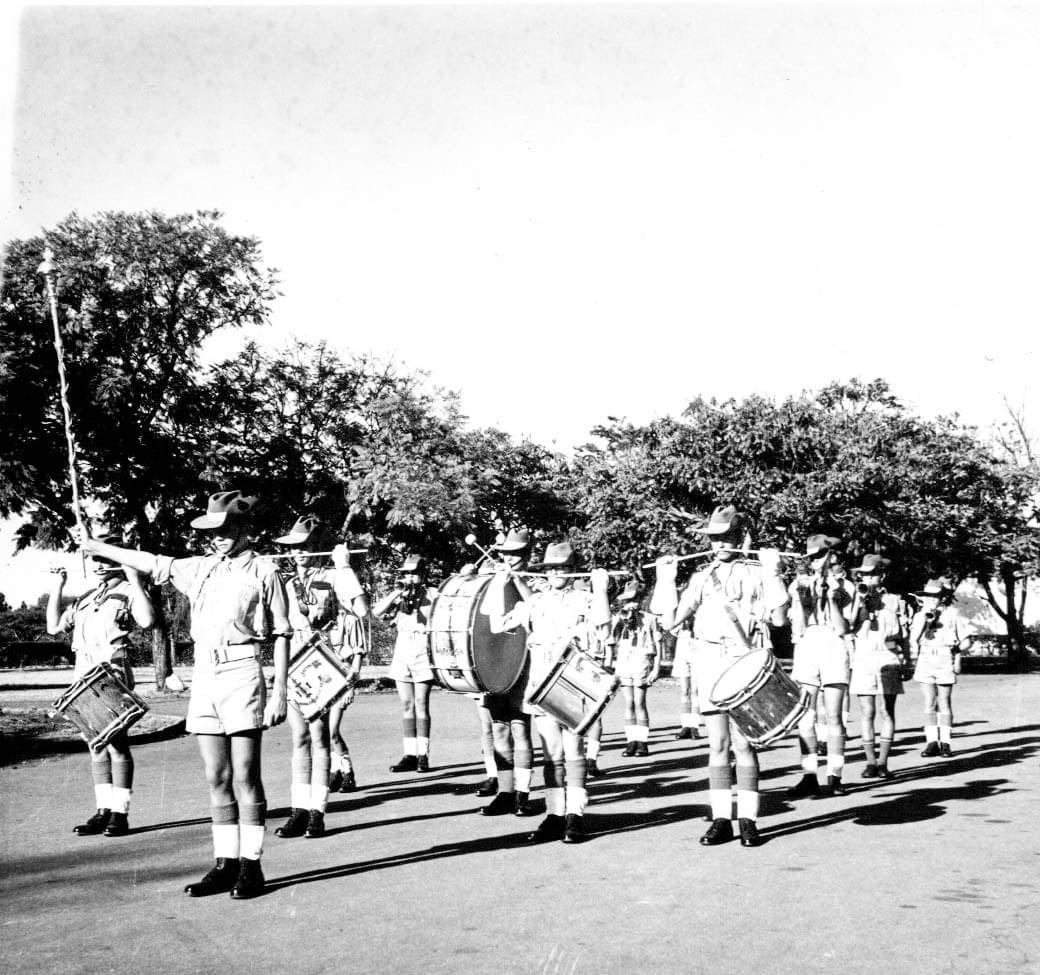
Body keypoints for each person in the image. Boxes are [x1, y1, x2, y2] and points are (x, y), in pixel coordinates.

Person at [75, 490, 290, 900]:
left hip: (243, 670)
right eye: (213, 532)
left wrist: (280, 690)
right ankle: (225, 863)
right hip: (206, 674)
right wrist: (100, 546)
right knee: (216, 776)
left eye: (227, 529)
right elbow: (154, 562)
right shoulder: (201, 569)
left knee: (245, 776)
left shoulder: (263, 570)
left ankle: (252, 865)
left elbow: (281, 633)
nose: (220, 538)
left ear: (245, 528)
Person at [652, 506, 788, 848]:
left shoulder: (758, 572)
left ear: (742, 538)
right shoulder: (701, 577)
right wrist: (665, 579)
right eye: (714, 538)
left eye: (727, 537)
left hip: (746, 661)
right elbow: (670, 622)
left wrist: (774, 574)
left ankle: (749, 818)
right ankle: (721, 818)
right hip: (710, 662)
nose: (719, 544)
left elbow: (781, 620)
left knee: (744, 743)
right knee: (718, 744)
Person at [491, 540, 611, 844]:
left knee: (573, 752)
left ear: (573, 570)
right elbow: (497, 625)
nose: (558, 572)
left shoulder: (584, 598)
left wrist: (601, 590)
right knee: (552, 754)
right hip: (541, 685)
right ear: (545, 572)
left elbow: (604, 629)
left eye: (564, 567)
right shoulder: (535, 602)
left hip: (571, 684)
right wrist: (498, 584)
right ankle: (555, 814)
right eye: (552, 568)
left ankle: (576, 816)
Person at [46, 532, 156, 837]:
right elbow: (54, 627)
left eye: (104, 559)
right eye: (94, 558)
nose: (97, 565)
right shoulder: (86, 598)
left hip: (111, 674)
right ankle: (103, 810)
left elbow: (147, 621)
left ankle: (120, 813)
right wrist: (58, 587)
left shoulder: (128, 590)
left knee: (117, 744)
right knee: (95, 745)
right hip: (83, 675)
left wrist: (134, 579)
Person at [273, 516, 369, 840]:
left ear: (315, 549)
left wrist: (344, 569)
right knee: (299, 738)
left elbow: (361, 610)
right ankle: (298, 810)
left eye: (304, 547)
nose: (298, 553)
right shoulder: (285, 584)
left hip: (322, 664)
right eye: (293, 548)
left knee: (319, 737)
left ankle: (318, 812)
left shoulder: (330, 577)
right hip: (295, 663)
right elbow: (280, 631)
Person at [787, 536, 856, 797]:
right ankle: (809, 775)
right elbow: (798, 627)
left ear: (831, 556)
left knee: (834, 715)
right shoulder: (799, 584)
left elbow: (841, 627)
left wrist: (830, 598)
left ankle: (835, 776)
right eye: (811, 557)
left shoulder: (846, 586)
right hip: (808, 644)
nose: (813, 562)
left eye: (819, 556)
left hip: (834, 644)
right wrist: (803, 599)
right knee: (805, 714)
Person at [477, 530, 536, 818]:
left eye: (516, 554)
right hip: (496, 661)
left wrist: (518, 582)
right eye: (506, 554)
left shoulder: (537, 580)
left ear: (527, 555)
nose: (510, 559)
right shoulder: (493, 580)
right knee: (498, 727)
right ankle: (505, 791)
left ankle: (523, 793)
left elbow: (538, 609)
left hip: (524, 663)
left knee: (520, 727)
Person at [373, 554, 437, 772]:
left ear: (423, 574)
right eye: (406, 573)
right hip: (403, 651)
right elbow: (376, 611)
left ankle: (423, 754)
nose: (410, 577)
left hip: (422, 650)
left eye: (414, 573)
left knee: (421, 703)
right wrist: (396, 593)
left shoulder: (432, 594)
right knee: (406, 704)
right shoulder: (400, 596)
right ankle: (409, 753)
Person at [848, 554, 906, 778]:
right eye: (864, 575)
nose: (868, 578)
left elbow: (900, 635)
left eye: (872, 574)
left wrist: (907, 660)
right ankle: (870, 762)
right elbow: (849, 627)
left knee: (886, 710)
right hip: (863, 656)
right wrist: (861, 605)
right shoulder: (855, 597)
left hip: (887, 656)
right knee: (866, 711)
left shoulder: (894, 600)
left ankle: (883, 762)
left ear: (881, 576)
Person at [910, 578, 973, 758]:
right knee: (929, 701)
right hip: (926, 656)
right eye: (927, 597)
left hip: (945, 656)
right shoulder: (919, 615)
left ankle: (945, 742)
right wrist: (924, 617)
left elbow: (967, 640)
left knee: (944, 701)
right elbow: (914, 638)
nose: (931, 600)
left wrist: (956, 652)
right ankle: (931, 742)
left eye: (935, 597)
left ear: (942, 598)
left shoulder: (953, 614)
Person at [612, 581, 660, 758]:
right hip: (625, 661)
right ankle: (630, 741)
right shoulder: (620, 618)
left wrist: (656, 667)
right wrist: (622, 619)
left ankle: (642, 742)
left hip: (641, 660)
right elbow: (611, 638)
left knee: (640, 702)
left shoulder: (649, 619)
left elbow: (658, 643)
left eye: (634, 600)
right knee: (628, 703)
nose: (630, 605)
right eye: (627, 601)